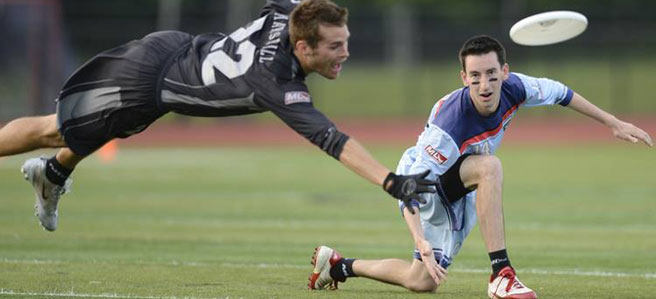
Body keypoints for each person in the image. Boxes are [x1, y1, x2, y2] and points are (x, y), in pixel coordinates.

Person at [0, 0, 436, 232]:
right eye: (335, 46)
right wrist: (391, 181)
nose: (346, 53)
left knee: (105, 128)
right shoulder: (277, 83)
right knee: (53, 130)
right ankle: (50, 170)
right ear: (303, 48)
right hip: (147, 80)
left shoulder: (292, 13)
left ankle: (52, 176)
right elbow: (333, 141)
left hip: (170, 61)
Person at [308, 35, 653, 298]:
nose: (484, 85)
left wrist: (613, 122)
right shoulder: (449, 126)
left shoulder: (516, 87)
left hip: (459, 180)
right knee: (490, 168)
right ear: (463, 77)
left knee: (421, 281)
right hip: (426, 186)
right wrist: (419, 239)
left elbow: (561, 92)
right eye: (475, 76)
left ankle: (339, 266)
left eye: (491, 74)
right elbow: (406, 188)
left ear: (504, 71)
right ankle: (501, 275)